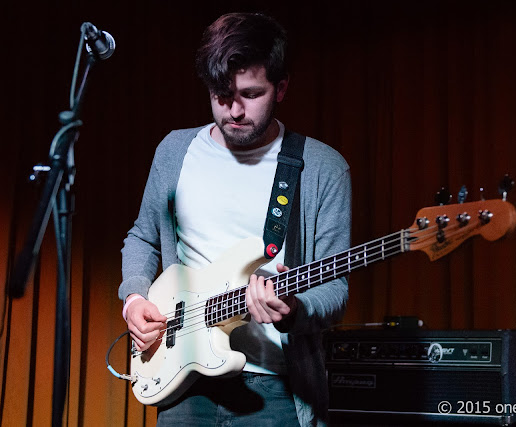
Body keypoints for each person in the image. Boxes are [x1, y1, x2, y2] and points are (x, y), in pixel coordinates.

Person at [118, 12, 351, 427]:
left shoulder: (321, 167)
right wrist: (135, 297)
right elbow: (142, 236)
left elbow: (336, 288)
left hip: (275, 386)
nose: (234, 110)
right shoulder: (175, 151)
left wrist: (293, 309)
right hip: (183, 380)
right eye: (220, 94)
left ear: (281, 88)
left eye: (250, 93)